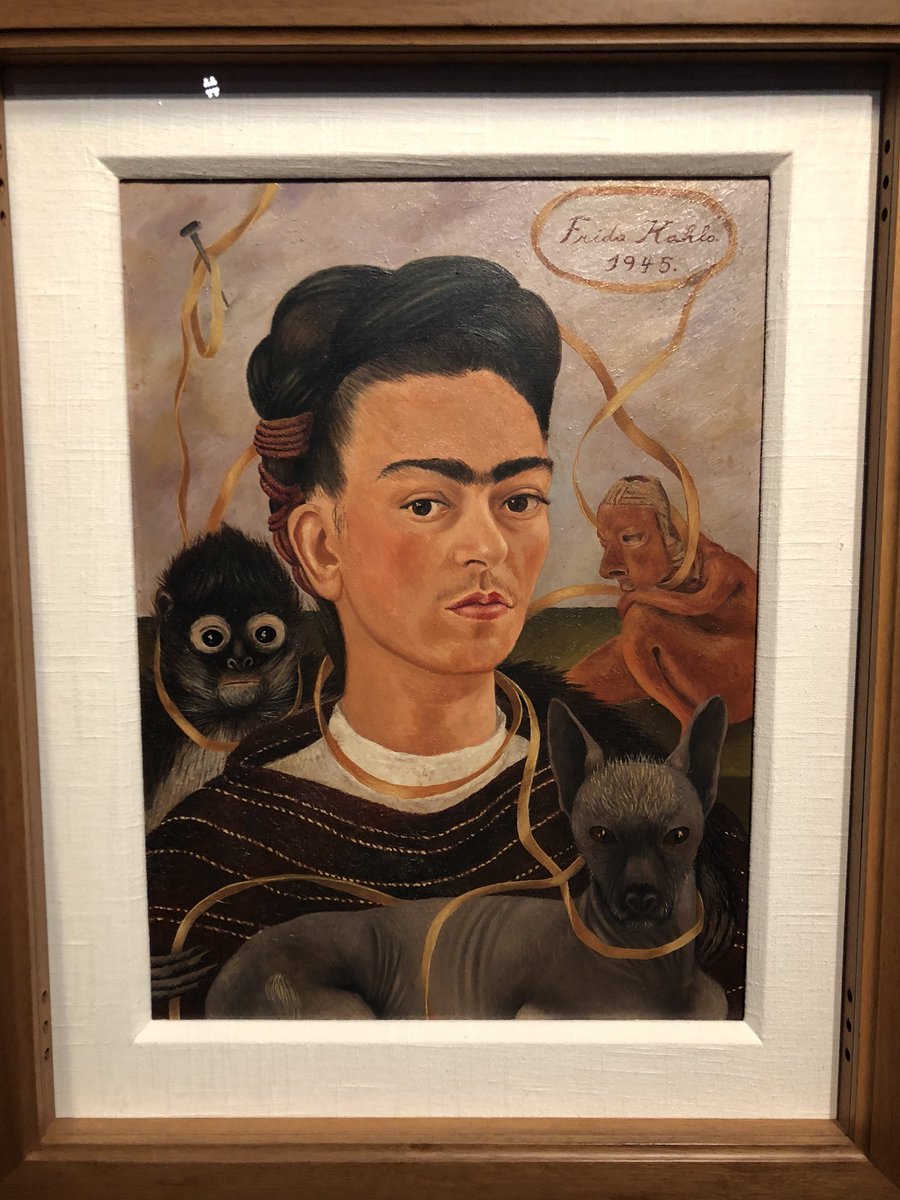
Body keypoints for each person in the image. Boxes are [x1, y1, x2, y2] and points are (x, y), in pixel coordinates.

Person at [146, 258, 744, 1017]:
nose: (488, 547)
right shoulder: (205, 862)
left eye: (519, 499)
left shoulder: (673, 836)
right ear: (320, 546)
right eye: (427, 503)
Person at [568, 476, 757, 731]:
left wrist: (635, 597)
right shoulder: (675, 571)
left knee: (641, 619)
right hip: (690, 663)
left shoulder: (718, 565)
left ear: (669, 534)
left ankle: (688, 720)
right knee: (568, 691)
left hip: (736, 688)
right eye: (605, 543)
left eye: (631, 538)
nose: (608, 568)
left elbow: (696, 605)